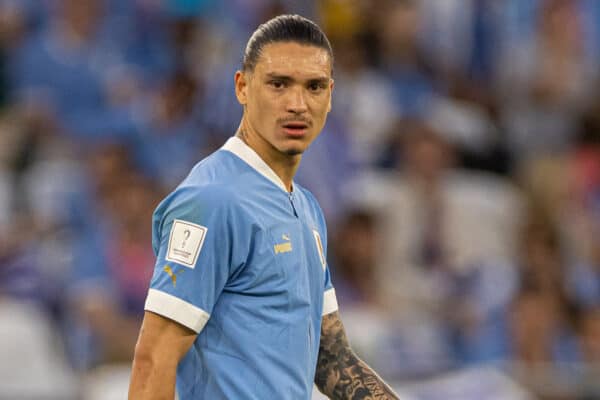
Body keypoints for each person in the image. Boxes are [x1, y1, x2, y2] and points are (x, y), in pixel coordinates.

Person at [128, 14, 399, 400]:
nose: (297, 104)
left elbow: (332, 358)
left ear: (331, 96)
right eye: (278, 84)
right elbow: (154, 360)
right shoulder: (212, 199)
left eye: (314, 87)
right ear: (242, 86)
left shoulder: (306, 208)